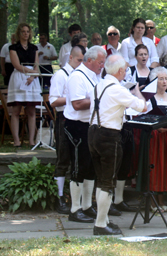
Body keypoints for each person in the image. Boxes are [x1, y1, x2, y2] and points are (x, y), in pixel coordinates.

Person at [88, 54, 147, 235]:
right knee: (107, 182)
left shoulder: (98, 85)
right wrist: (137, 90)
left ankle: (104, 220)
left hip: (93, 132)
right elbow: (142, 107)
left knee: (101, 179)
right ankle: (100, 225)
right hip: (109, 135)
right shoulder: (118, 89)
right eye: (125, 70)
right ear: (120, 71)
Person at [63, 46, 106, 223]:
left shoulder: (93, 76)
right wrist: (101, 100)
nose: (102, 65)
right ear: (90, 61)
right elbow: (78, 104)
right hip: (76, 127)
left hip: (90, 126)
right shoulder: (77, 77)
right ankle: (74, 209)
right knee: (78, 167)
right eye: (100, 62)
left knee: (90, 168)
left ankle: (87, 206)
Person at [50, 45, 85, 214]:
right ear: (71, 57)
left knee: (75, 159)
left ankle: (75, 199)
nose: (81, 63)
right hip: (63, 118)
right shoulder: (60, 75)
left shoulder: (81, 75)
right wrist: (72, 98)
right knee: (63, 157)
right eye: (79, 60)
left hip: (77, 119)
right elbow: (54, 101)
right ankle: (59, 197)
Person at [143, 67, 167, 212]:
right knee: (155, 167)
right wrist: (156, 127)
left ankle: (162, 201)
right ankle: (153, 203)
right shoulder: (150, 99)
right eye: (160, 79)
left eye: (166, 79)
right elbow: (146, 118)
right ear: (154, 81)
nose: (164, 81)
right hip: (155, 138)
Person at [7, 23, 41, 147]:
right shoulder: (13, 48)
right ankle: (16, 140)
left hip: (32, 79)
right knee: (16, 110)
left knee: (31, 111)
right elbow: (17, 65)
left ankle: (31, 140)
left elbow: (36, 64)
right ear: (19, 33)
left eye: (27, 31)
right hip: (19, 77)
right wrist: (34, 72)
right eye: (23, 31)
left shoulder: (34, 48)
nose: (25, 33)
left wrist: (33, 76)